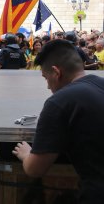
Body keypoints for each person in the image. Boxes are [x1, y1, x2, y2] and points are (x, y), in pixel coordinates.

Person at [12, 39, 104, 204]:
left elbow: (35, 169)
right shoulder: (100, 83)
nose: (48, 86)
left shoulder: (59, 102)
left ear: (56, 72)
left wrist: (26, 154)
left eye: (46, 78)